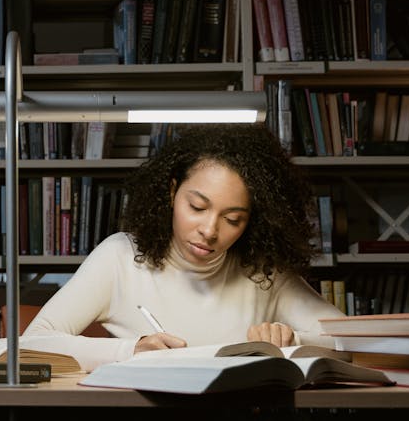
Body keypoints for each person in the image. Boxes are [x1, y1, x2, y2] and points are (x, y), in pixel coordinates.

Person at [24, 123, 344, 371]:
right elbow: (32, 344)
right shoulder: (120, 258)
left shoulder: (264, 272)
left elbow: (354, 342)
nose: (209, 230)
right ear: (172, 192)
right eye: (197, 207)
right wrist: (131, 350)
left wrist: (293, 340)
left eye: (232, 219)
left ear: (253, 221)